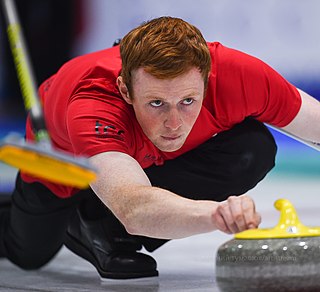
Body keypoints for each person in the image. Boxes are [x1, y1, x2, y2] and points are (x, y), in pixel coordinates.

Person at [0, 16, 319, 280]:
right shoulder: (94, 104)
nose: (174, 124)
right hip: (68, 169)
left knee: (253, 148)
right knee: (29, 254)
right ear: (125, 89)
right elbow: (135, 208)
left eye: (188, 101)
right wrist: (216, 213)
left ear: (207, 80)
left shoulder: (240, 74)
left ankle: (99, 227)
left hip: (138, 165)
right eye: (156, 103)